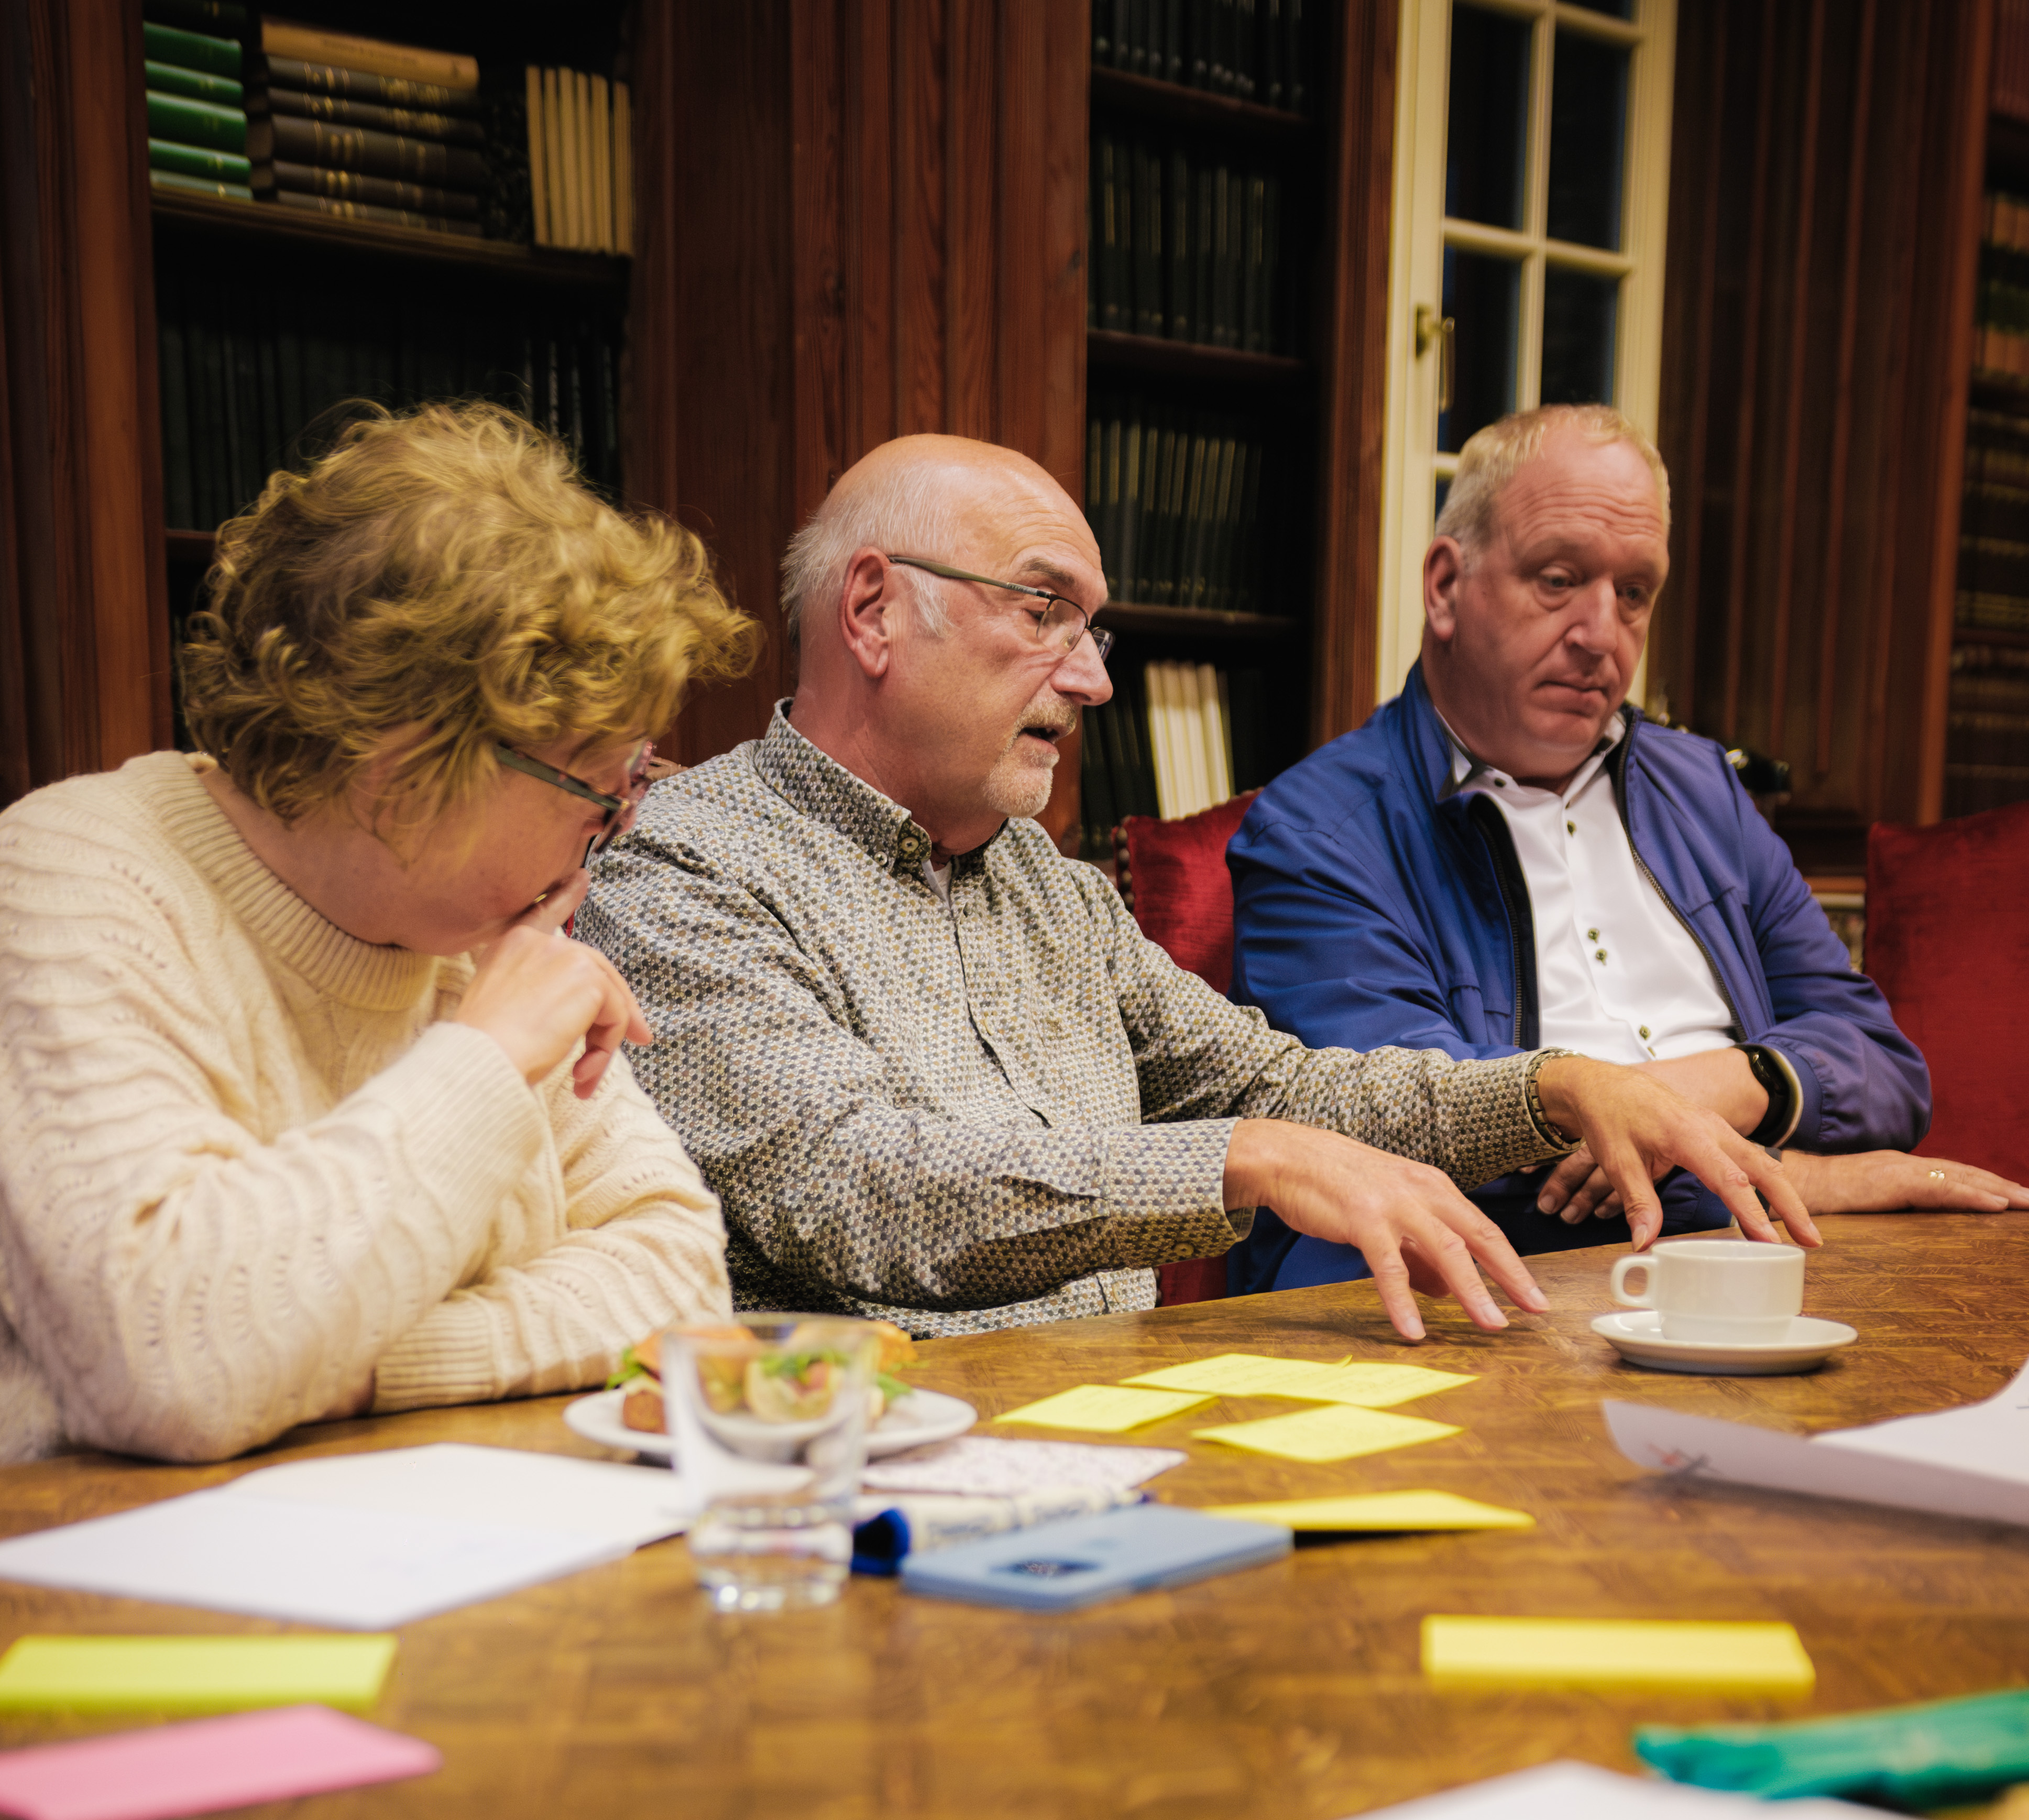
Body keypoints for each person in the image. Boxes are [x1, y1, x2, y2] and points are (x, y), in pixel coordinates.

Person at [585, 432, 1819, 1349]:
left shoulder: (1048, 889)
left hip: (1124, 1433)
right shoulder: (685, 870)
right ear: (872, 610)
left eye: (1094, 631)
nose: (1092, 681)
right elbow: (862, 1192)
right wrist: (1235, 1161)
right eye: (1043, 612)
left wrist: (1551, 1087)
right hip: (873, 1473)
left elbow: (1274, 1086)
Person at [0, 402, 752, 1467]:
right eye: (600, 782)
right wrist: (483, 1062)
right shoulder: (72, 880)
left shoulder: (469, 926)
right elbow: (174, 1364)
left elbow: (680, 1278)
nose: (620, 821)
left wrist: (339, 1362)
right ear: (410, 773)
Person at [1227, 402, 2029, 1296]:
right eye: (1558, 580)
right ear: (1446, 587)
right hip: (1481, 1300)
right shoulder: (1318, 832)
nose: (1601, 635)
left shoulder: (1702, 790)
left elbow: (1883, 1064)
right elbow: (1416, 1131)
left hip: (1761, 1277)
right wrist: (1789, 1181)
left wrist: (1732, 1081)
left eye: (1634, 592)